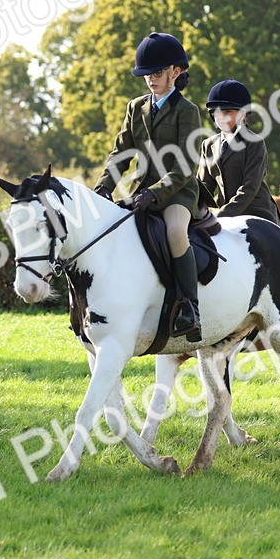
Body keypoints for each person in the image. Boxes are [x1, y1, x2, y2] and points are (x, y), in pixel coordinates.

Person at [94, 32, 203, 341]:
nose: (151, 80)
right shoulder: (136, 108)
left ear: (176, 72)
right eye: (147, 75)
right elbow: (122, 152)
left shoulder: (187, 111)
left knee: (174, 233)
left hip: (178, 194)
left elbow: (185, 167)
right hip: (141, 192)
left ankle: (190, 309)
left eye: (157, 73)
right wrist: (103, 188)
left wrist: (156, 192)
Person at [196, 79, 280, 226]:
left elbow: (250, 188)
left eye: (227, 111)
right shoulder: (208, 145)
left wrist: (222, 215)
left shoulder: (255, 143)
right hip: (222, 214)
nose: (220, 117)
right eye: (216, 112)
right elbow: (204, 186)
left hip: (256, 213)